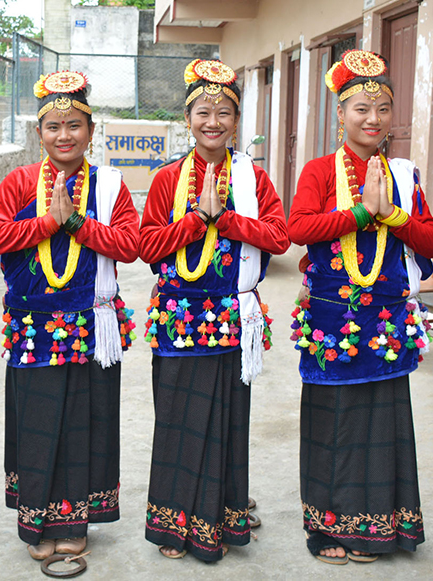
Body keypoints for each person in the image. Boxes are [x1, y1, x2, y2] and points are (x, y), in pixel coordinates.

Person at [288, 49, 433, 565]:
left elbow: (432, 241)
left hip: (386, 322)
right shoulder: (318, 171)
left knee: (382, 421)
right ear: (340, 113)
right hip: (332, 321)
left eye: (382, 109)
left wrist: (392, 213)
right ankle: (327, 527)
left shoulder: (402, 174)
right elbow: (298, 230)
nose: (373, 119)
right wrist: (358, 211)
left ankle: (380, 527)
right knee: (333, 424)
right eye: (361, 109)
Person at [0, 71, 140, 560]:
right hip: (33, 328)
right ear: (39, 133)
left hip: (92, 326)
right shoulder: (18, 183)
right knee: (38, 420)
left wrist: (76, 222)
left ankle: (77, 523)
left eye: (74, 125)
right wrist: (47, 221)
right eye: (53, 126)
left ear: (91, 132)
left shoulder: (110, 186)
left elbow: (130, 245)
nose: (64, 135)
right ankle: (38, 522)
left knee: (84, 422)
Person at [139, 59, 289, 562]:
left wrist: (227, 220)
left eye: (225, 112)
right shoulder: (165, 180)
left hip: (233, 319)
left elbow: (280, 237)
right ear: (187, 119)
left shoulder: (253, 180)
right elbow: (147, 247)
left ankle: (222, 516)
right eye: (203, 111)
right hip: (179, 318)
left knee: (228, 419)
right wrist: (196, 218)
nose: (213, 121)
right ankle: (175, 523)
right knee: (178, 418)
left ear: (237, 120)